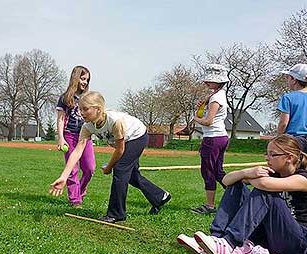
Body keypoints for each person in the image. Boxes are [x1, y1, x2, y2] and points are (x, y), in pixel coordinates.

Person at [178, 134, 307, 254]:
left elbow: (264, 185)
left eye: (272, 154)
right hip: (269, 235)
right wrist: (245, 173)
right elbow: (227, 181)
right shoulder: (273, 173)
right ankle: (217, 240)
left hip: (297, 241)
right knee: (236, 184)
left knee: (265, 193)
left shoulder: (304, 179)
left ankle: (229, 243)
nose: (267, 158)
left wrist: (250, 178)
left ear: (289, 157)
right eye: (266, 154)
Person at [50, 91, 171, 223]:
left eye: (85, 109)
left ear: (98, 109)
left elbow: (120, 150)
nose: (81, 113)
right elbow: (77, 152)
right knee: (131, 176)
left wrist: (109, 167)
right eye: (80, 109)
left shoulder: (114, 121)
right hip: (126, 142)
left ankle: (116, 214)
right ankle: (160, 197)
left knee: (120, 169)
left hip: (137, 136)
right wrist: (63, 177)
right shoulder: (87, 127)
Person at [277, 63, 307, 219]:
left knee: (288, 172)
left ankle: (288, 205)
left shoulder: (288, 98)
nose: (287, 80)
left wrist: (278, 139)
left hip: (293, 140)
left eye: (288, 77)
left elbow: (284, 122)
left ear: (293, 79)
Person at [191, 64, 229, 215]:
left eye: (209, 80)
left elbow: (208, 121)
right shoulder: (218, 94)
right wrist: (200, 109)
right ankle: (242, 195)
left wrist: (195, 118)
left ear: (218, 81)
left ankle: (210, 206)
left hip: (212, 139)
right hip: (221, 137)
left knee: (208, 172)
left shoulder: (215, 98)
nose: (205, 82)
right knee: (218, 172)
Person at [56, 66, 96, 208]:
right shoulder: (65, 98)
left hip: (85, 136)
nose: (85, 82)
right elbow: (60, 119)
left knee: (90, 168)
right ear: (75, 78)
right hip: (70, 135)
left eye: (87, 80)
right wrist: (61, 138)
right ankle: (75, 200)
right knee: (72, 169)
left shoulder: (87, 98)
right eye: (83, 78)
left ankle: (81, 191)